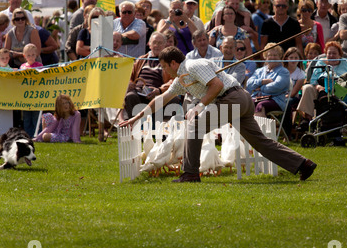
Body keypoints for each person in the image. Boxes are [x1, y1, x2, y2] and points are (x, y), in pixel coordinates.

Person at [119, 46, 317, 182]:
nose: (164, 71)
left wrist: (199, 107)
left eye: (163, 66)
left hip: (232, 98)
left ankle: (190, 174)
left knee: (194, 125)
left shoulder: (194, 65)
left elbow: (217, 85)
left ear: (172, 62)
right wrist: (136, 117)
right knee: (260, 142)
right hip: (240, 99)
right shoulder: (182, 78)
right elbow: (161, 99)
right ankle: (303, 164)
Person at [123, 32, 181, 121]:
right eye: (154, 42)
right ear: (149, 44)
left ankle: (164, 130)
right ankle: (135, 127)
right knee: (130, 96)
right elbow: (129, 76)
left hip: (158, 93)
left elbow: (174, 80)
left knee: (173, 99)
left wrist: (160, 90)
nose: (156, 45)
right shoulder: (141, 60)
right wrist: (130, 83)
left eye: (160, 43)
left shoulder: (169, 61)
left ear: (165, 45)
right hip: (139, 92)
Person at [296, 41, 347, 126]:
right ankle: (307, 119)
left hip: (339, 90)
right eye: (329, 53)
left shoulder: (346, 63)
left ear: (339, 55)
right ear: (326, 54)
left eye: (334, 53)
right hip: (321, 89)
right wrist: (318, 87)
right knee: (307, 87)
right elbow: (313, 80)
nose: (332, 56)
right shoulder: (321, 62)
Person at [246, 43, 290, 118]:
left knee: (261, 105)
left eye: (275, 55)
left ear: (280, 57)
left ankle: (260, 129)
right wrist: (262, 81)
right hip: (258, 98)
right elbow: (249, 84)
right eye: (270, 55)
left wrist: (260, 88)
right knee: (246, 103)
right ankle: (243, 128)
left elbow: (276, 86)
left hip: (276, 100)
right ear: (265, 57)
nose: (272, 57)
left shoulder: (283, 72)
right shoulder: (259, 71)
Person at [19, 43, 43, 137]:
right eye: (29, 55)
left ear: (36, 55)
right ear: (24, 56)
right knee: (26, 116)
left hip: (36, 95)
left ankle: (37, 134)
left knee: (36, 116)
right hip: (26, 96)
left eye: (33, 55)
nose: (31, 57)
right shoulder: (22, 67)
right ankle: (28, 135)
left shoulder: (39, 66)